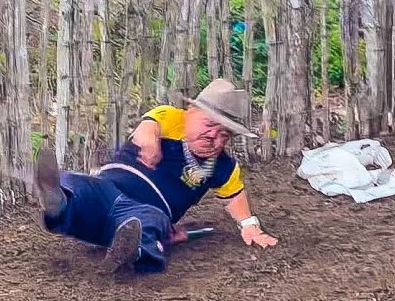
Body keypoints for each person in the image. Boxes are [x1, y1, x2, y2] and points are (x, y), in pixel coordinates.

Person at [34, 79, 278, 274]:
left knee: (146, 222)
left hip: (149, 209)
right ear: (190, 111)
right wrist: (149, 141)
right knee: (76, 184)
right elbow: (148, 127)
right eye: (209, 125)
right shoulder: (171, 118)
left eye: (224, 134)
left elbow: (234, 196)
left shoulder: (223, 166)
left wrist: (250, 226)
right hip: (107, 190)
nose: (214, 137)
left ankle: (130, 250)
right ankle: (57, 201)